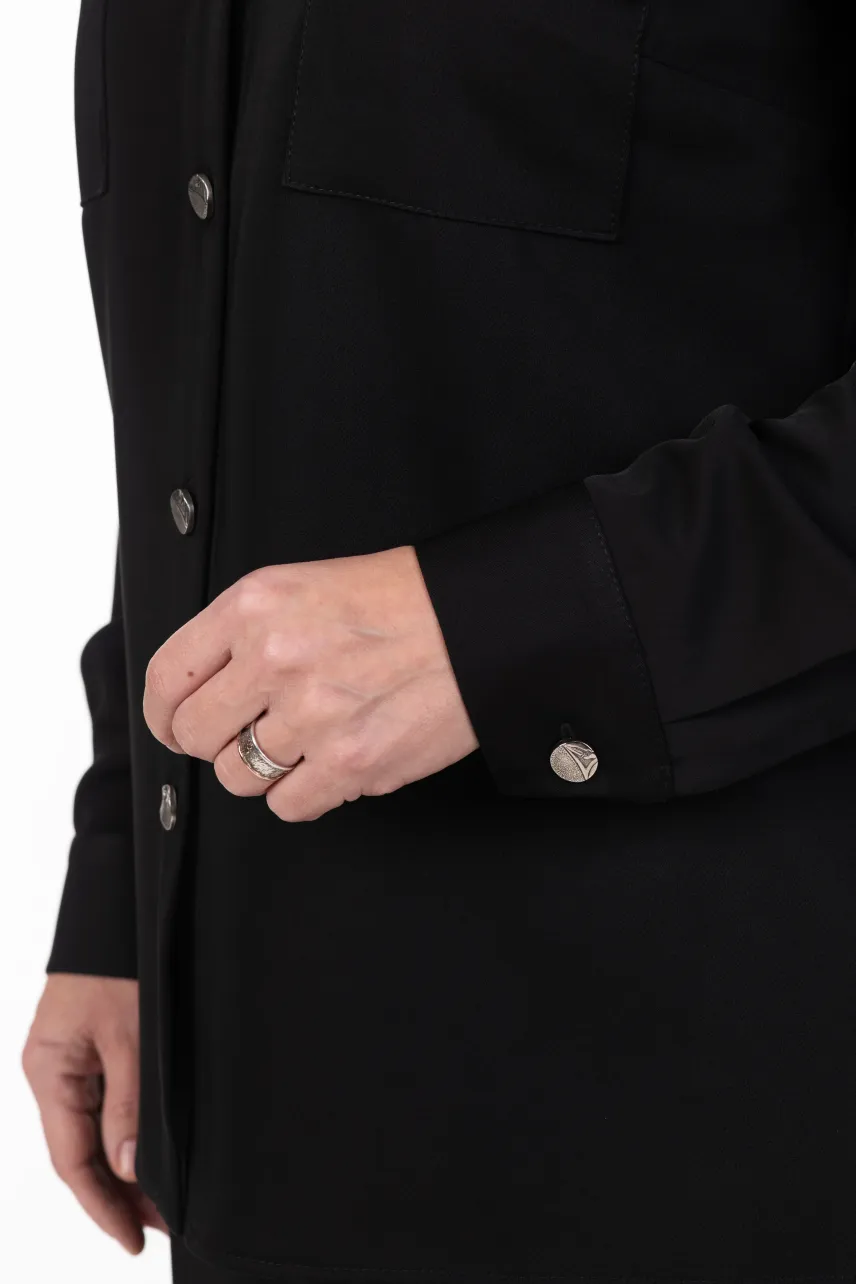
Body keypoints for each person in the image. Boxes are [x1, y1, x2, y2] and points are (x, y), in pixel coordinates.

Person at [22, 1, 856, 1281]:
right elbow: (226, 382)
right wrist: (126, 873)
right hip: (263, 1109)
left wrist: (501, 630)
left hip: (711, 1119)